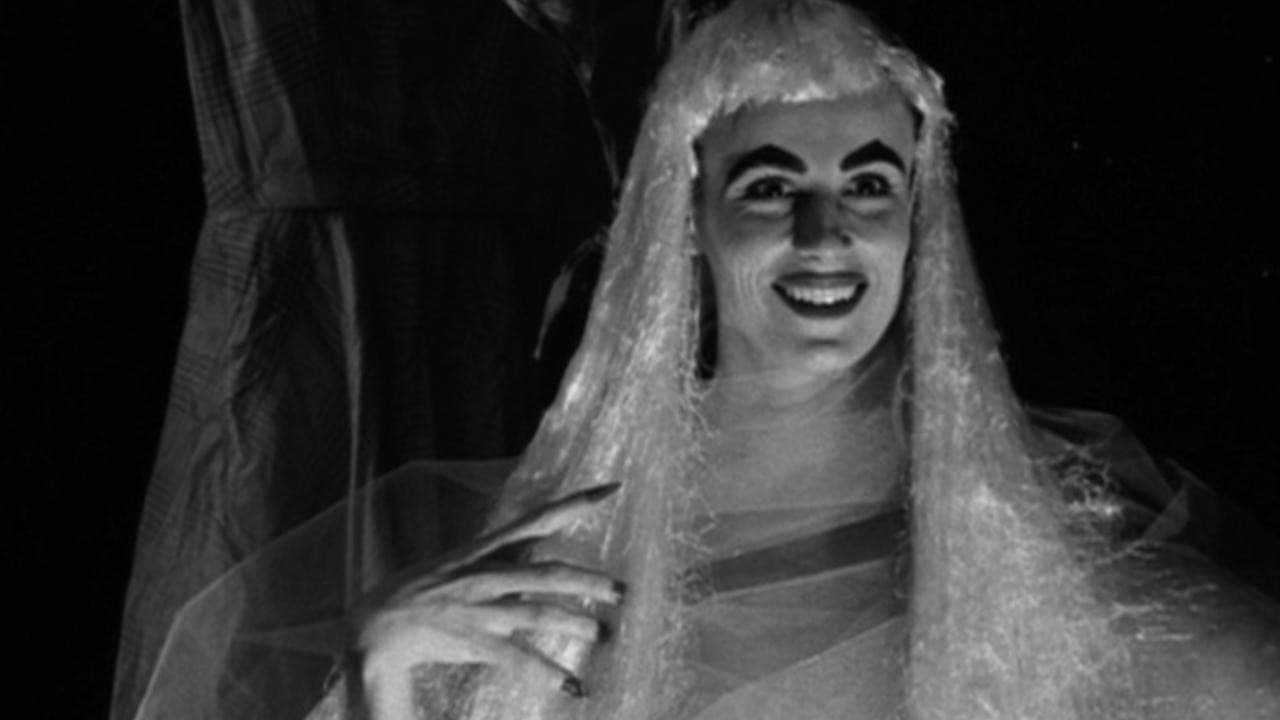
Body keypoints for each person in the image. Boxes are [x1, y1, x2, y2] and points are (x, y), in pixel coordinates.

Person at [130, 1, 1280, 719]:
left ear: (916, 218)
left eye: (868, 185)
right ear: (688, 217)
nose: (823, 236)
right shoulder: (570, 542)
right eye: (770, 186)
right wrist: (378, 690)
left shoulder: (1031, 537)